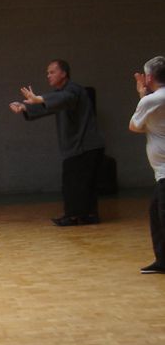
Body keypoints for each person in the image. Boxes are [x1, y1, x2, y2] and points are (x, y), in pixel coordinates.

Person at [10, 59, 106, 226]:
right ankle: (87, 215)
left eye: (52, 72)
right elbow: (51, 105)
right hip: (82, 146)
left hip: (86, 145)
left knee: (76, 183)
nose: (48, 75)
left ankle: (74, 216)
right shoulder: (61, 94)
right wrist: (25, 107)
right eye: (47, 73)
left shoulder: (73, 90)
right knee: (82, 183)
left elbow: (61, 99)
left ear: (64, 73)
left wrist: (39, 98)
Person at [129, 55, 165, 275]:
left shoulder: (151, 100)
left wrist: (142, 94)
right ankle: (162, 260)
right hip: (161, 172)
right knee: (156, 213)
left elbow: (134, 125)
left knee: (161, 216)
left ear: (149, 77)